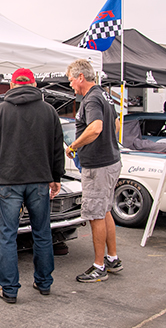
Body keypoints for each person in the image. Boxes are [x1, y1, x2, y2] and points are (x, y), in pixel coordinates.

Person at [0, 68, 63, 303]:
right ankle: (44, 282)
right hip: (39, 181)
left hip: (8, 182)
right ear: (34, 84)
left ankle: (9, 290)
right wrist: (56, 177)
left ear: (12, 85)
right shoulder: (49, 111)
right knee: (42, 232)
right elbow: (58, 148)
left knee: (7, 235)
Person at [65, 59, 123, 283]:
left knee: (96, 214)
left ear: (81, 77)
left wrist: (74, 146)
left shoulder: (91, 99)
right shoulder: (105, 95)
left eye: (71, 80)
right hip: (110, 161)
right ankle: (112, 258)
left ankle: (99, 266)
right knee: (105, 210)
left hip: (98, 166)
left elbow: (96, 127)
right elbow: (116, 124)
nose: (70, 85)